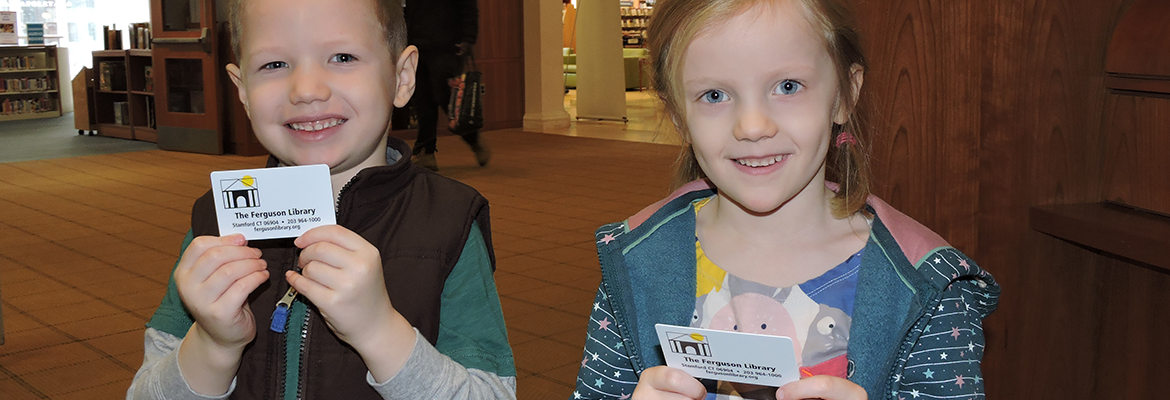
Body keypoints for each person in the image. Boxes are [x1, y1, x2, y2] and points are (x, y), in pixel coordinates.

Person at [570, 0, 1000, 399]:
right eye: (714, 95)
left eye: (788, 86)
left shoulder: (926, 287)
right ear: (680, 113)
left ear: (845, 94)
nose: (753, 126)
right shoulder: (636, 261)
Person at [126, 0, 515, 398]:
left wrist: (379, 331)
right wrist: (212, 345)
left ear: (402, 77)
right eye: (274, 65)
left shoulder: (447, 222)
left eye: (343, 57)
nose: (307, 91)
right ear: (242, 91)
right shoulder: (217, 220)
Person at [404, 0, 490, 171]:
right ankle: (425, 152)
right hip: (416, 47)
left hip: (447, 47)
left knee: (446, 99)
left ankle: (472, 139)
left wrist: (468, 38)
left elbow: (469, 8)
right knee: (422, 101)